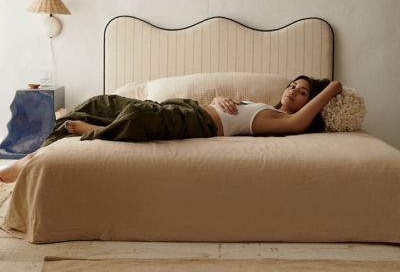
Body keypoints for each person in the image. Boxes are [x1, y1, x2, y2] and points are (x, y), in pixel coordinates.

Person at [0, 75, 342, 184]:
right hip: (184, 107)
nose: (294, 92)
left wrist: (331, 89)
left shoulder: (285, 123)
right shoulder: (265, 105)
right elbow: (239, 112)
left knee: (137, 116)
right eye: (294, 85)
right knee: (101, 101)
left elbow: (300, 121)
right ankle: (40, 152)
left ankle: (86, 132)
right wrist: (224, 97)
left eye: (303, 93)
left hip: (196, 124)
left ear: (309, 106)